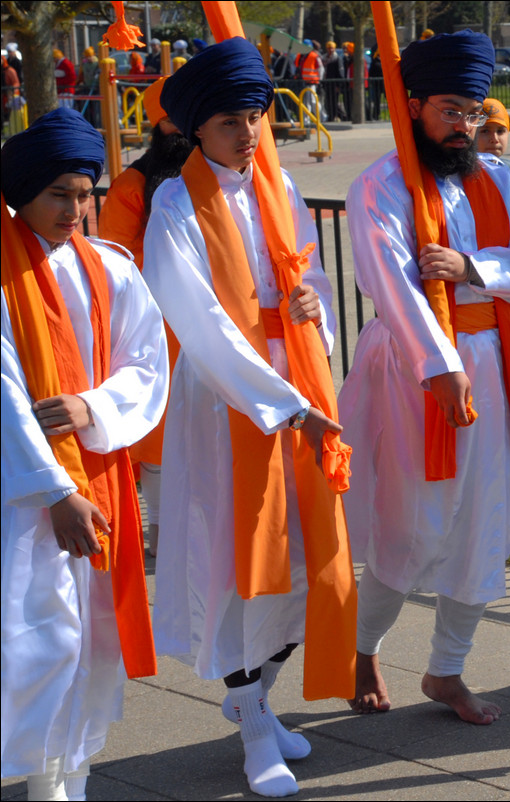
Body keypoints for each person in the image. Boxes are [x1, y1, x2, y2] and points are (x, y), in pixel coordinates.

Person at [142, 36, 355, 798]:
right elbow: (196, 317)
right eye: (232, 121)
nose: (249, 133)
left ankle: (255, 700)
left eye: (257, 117)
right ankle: (254, 724)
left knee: (305, 558)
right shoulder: (174, 203)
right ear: (196, 127)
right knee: (239, 560)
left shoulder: (279, 191)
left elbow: (313, 276)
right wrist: (278, 402)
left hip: (295, 387)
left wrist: (311, 308)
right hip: (228, 404)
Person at [339, 30, 510, 725]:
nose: (467, 126)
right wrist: (440, 364)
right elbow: (389, 284)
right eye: (452, 110)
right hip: (413, 372)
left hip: (497, 366)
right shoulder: (380, 184)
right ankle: (362, 650)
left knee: (485, 525)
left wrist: (475, 268)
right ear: (415, 104)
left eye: (476, 112)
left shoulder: (501, 179)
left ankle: (446, 670)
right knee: (414, 524)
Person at [2, 107, 168, 802]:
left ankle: (70, 780)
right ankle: (44, 782)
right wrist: (53, 490)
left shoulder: (110, 266)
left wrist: (92, 408)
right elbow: (4, 389)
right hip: (24, 492)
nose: (75, 209)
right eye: (58, 195)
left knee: (93, 642)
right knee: (41, 639)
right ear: (23, 196)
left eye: (84, 194)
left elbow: (147, 361)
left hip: (99, 472)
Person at [98, 77, 193, 557]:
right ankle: (161, 534)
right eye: (173, 118)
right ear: (158, 124)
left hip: (206, 326)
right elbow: (114, 263)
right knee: (157, 442)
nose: (181, 129)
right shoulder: (132, 185)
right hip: (155, 328)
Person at [300, 40, 324, 121]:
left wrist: (319, 79)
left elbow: (321, 68)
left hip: (313, 82)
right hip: (306, 82)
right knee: (307, 102)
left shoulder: (314, 56)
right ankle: (306, 120)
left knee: (313, 101)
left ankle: (321, 117)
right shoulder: (303, 56)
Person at [322, 41, 346, 121]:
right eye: (329, 48)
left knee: (334, 102)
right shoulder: (324, 58)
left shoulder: (337, 59)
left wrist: (339, 85)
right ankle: (331, 116)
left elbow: (340, 72)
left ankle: (342, 116)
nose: (330, 50)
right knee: (328, 101)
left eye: (332, 48)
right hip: (327, 83)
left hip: (334, 84)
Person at [76, 47, 100, 126]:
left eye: (89, 56)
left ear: (93, 55)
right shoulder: (84, 64)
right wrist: (79, 83)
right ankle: (88, 124)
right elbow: (81, 75)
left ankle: (97, 124)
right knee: (87, 109)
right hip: (87, 88)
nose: (88, 58)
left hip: (96, 89)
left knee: (96, 109)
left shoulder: (98, 64)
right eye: (86, 57)